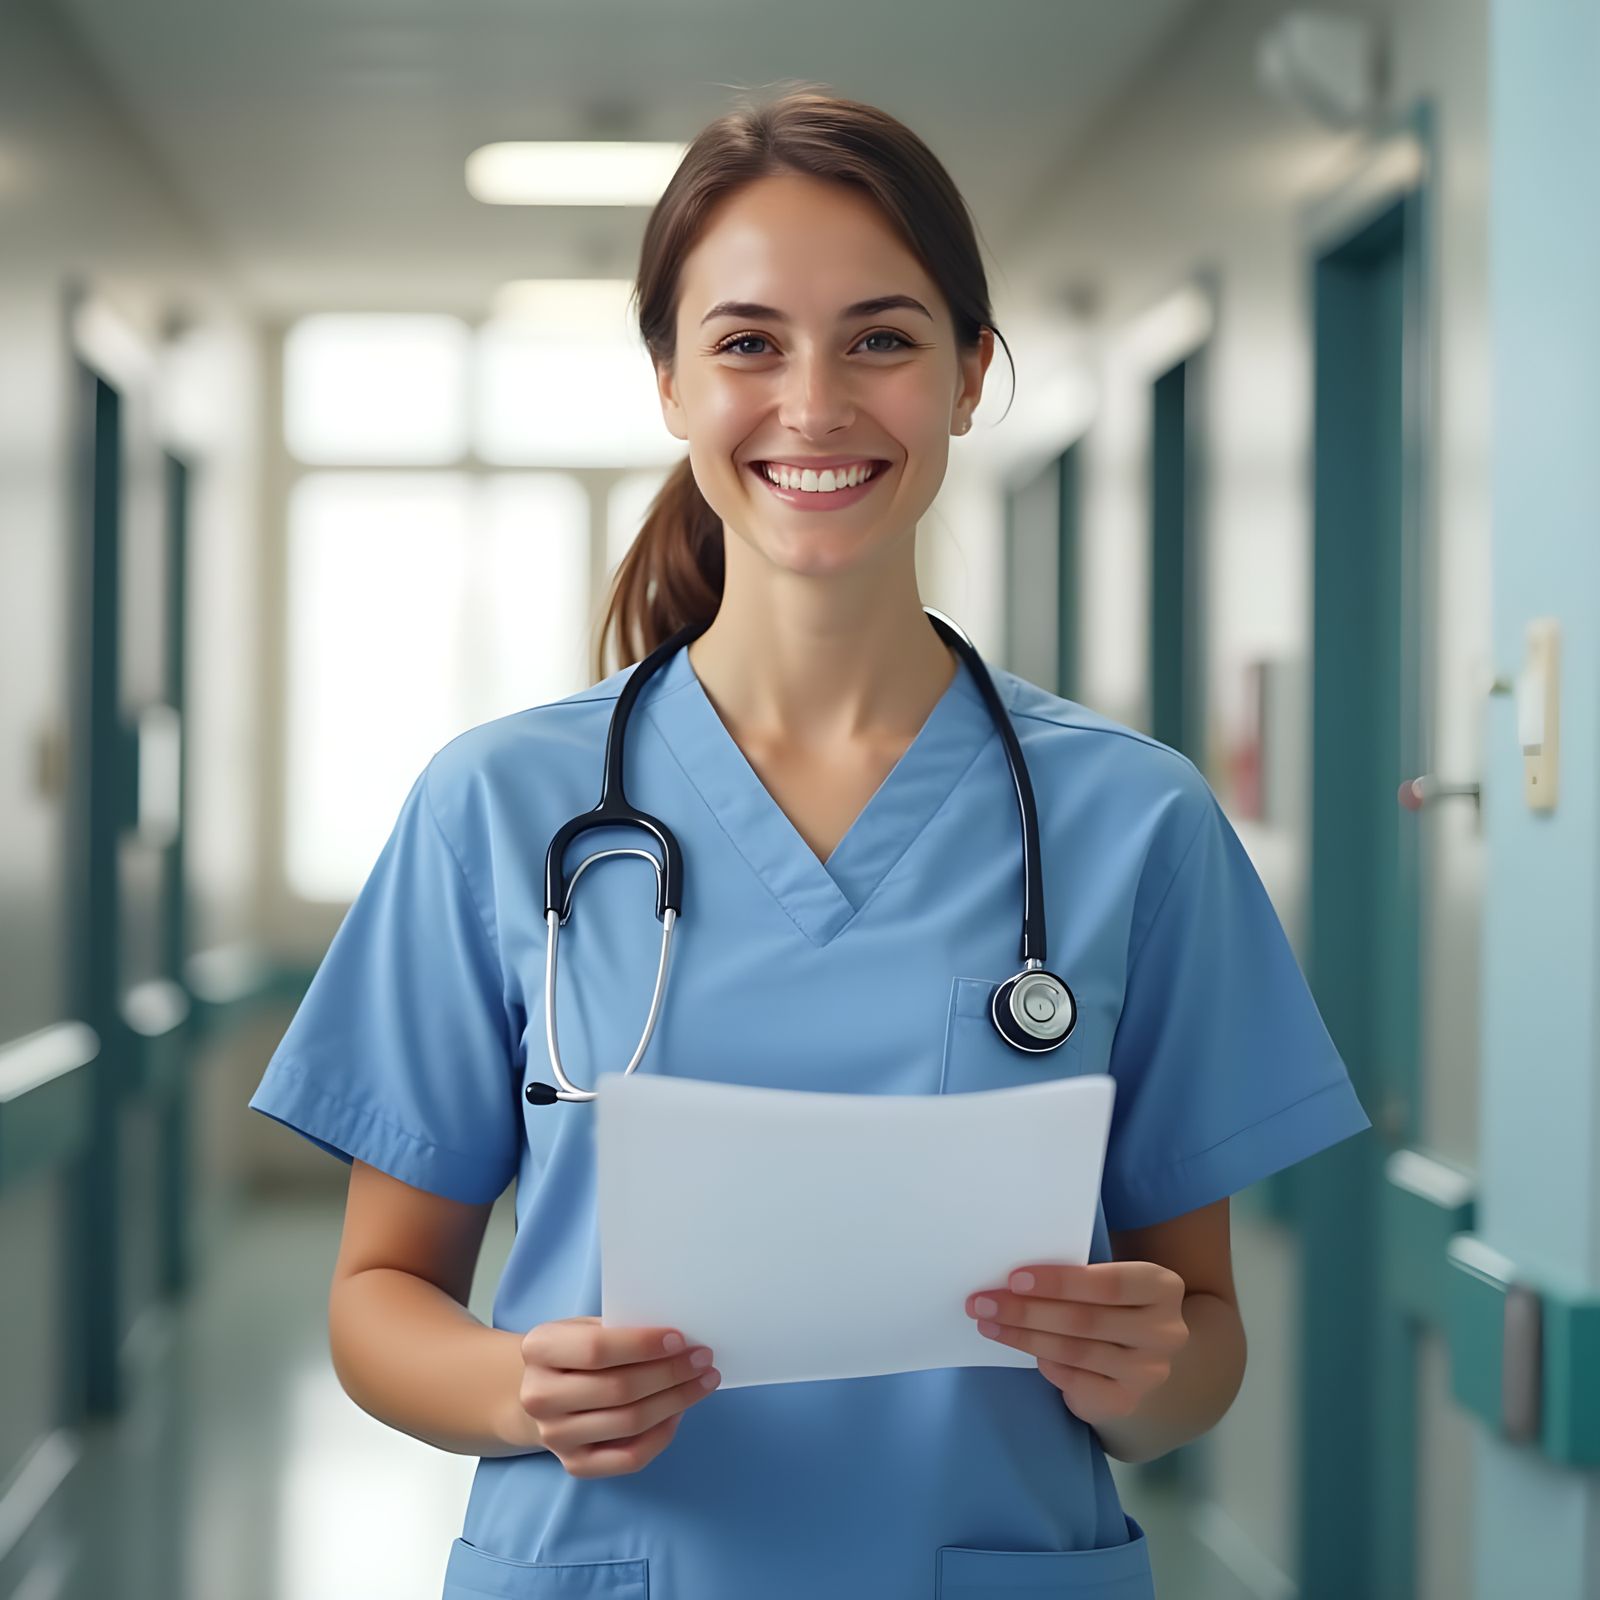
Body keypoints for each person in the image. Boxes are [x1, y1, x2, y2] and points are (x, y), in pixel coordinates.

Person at [248, 84, 1371, 1600]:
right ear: (668, 383)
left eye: (884, 338)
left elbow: (1202, 1344)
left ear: (973, 377)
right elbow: (381, 1298)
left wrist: (1140, 1374)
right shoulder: (500, 805)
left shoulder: (1133, 821)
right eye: (749, 342)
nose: (817, 402)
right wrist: (520, 1389)